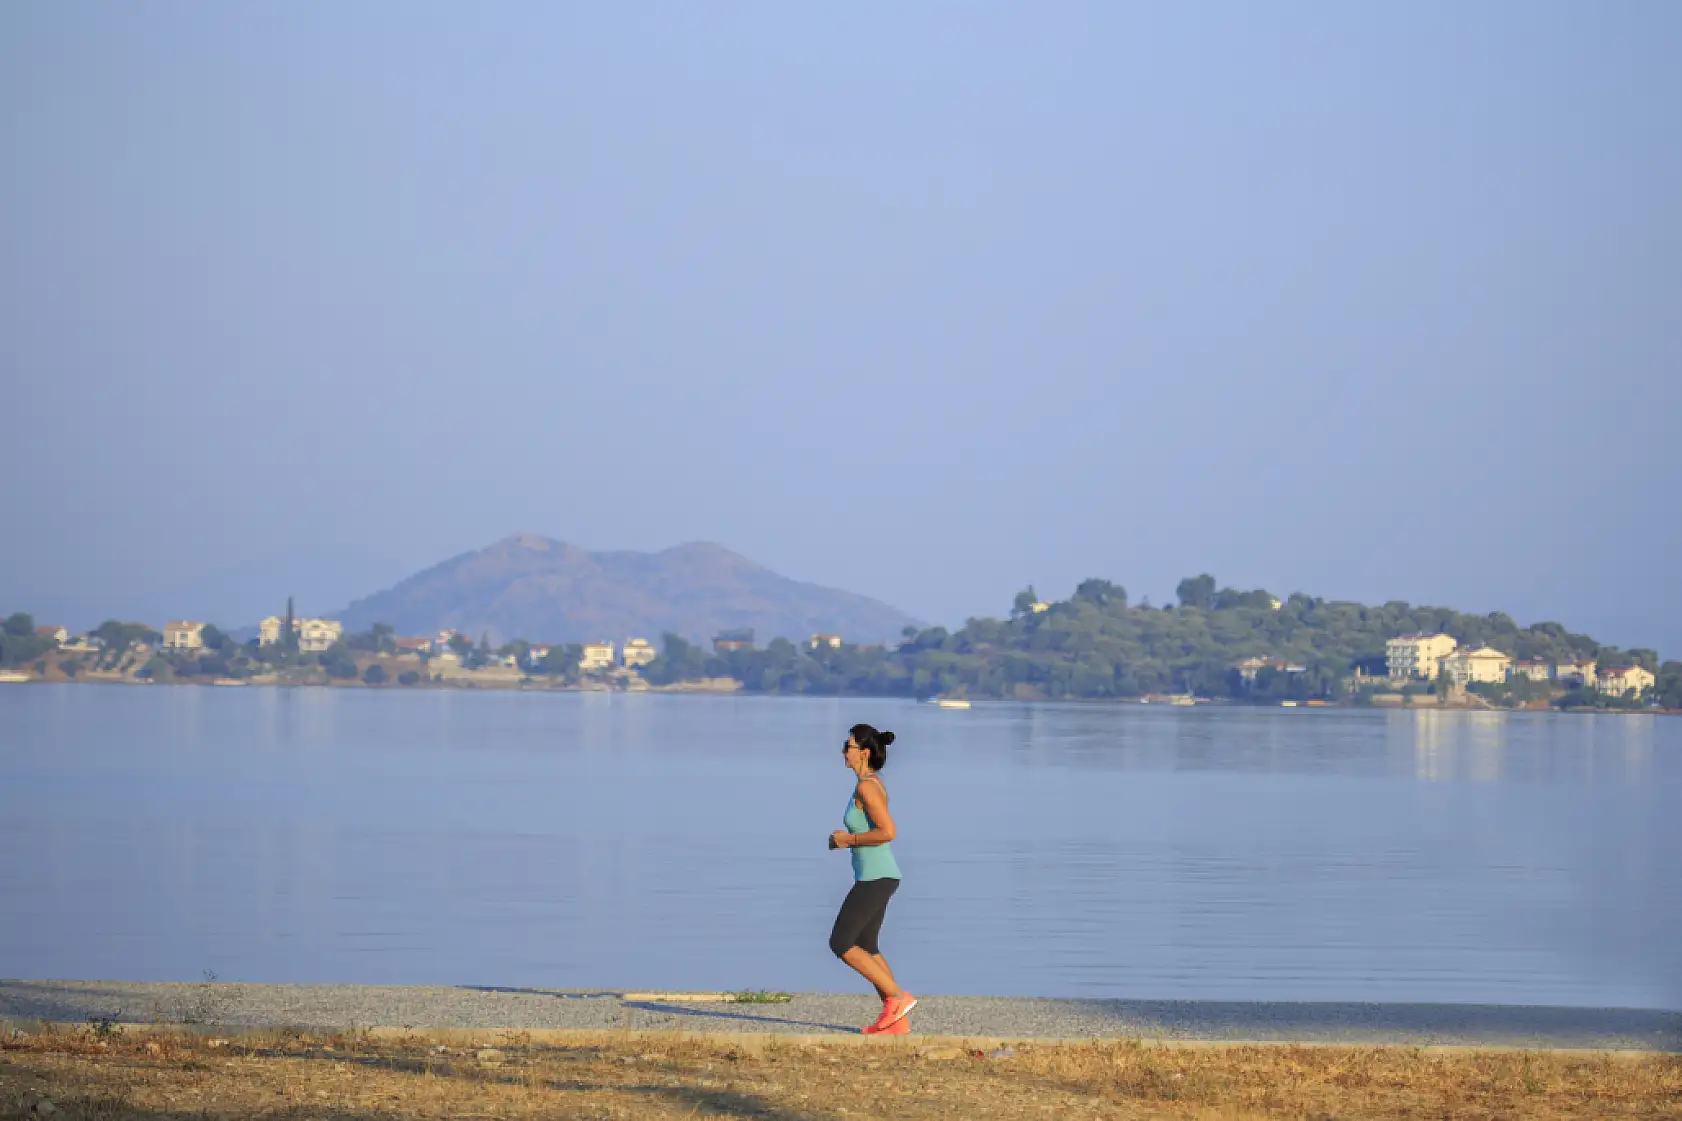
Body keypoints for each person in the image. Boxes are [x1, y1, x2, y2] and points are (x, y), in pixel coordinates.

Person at [828, 722, 916, 1034]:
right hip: (877, 875)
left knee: (841, 942)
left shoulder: (867, 786)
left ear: (864, 753)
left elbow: (887, 832)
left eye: (848, 746)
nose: (843, 751)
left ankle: (896, 997)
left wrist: (847, 840)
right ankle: (897, 1020)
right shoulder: (869, 784)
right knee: (866, 944)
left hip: (877, 877)